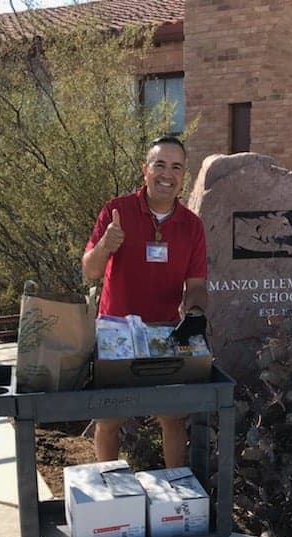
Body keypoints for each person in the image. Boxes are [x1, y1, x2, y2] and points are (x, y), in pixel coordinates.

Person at [82, 135, 208, 468]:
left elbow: (196, 285)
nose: (167, 174)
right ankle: (108, 485)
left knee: (173, 418)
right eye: (160, 164)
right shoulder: (117, 211)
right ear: (145, 169)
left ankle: (176, 489)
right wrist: (105, 245)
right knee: (109, 419)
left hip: (165, 335)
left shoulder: (192, 226)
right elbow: (90, 271)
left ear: (184, 175)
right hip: (116, 331)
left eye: (176, 167)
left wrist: (195, 314)